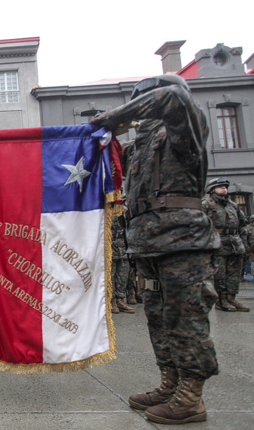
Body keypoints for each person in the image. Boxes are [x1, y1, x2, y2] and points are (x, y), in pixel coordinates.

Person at [91, 75, 221, 424]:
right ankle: (171, 384)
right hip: (148, 244)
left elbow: (174, 98)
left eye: (142, 104)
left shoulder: (183, 125)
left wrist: (114, 117)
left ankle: (191, 397)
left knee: (185, 318)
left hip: (183, 241)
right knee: (159, 318)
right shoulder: (140, 146)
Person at [202, 178, 249, 312]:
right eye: (220, 186)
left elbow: (243, 223)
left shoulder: (233, 205)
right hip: (217, 245)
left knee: (233, 275)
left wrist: (243, 241)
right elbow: (198, 225)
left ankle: (231, 298)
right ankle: (221, 300)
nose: (224, 188)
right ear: (212, 189)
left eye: (225, 186)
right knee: (220, 275)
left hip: (235, 244)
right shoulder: (206, 204)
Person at [110, 211, 135, 313]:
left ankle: (120, 300)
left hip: (124, 248)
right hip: (110, 248)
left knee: (123, 275)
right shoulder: (106, 211)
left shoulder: (124, 211)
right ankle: (112, 301)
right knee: (111, 276)